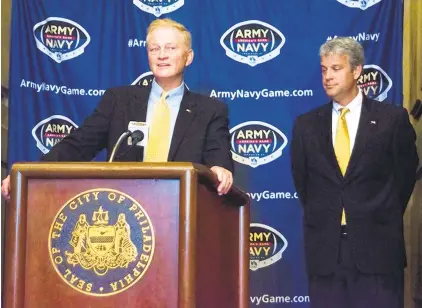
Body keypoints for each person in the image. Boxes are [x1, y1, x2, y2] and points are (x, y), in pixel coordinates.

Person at [2, 18, 233, 199]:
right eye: (154, 49)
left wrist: (220, 170)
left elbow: (218, 160)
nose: (162, 55)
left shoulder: (210, 111)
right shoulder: (118, 100)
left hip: (182, 215)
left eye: (170, 48)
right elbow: (78, 145)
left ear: (188, 57)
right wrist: (27, 174)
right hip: (123, 211)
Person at [290, 37, 419, 308]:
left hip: (378, 251)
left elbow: (405, 176)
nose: (327, 76)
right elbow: (303, 183)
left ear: (357, 70)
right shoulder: (306, 126)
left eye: (336, 69)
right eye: (324, 69)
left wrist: (378, 211)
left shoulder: (392, 120)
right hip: (326, 253)